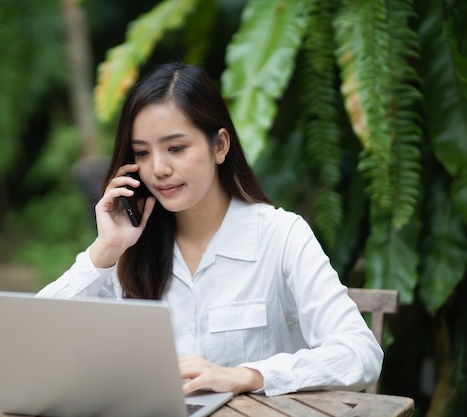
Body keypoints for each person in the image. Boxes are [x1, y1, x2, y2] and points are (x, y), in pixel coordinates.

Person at [37, 62, 383, 396]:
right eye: (142, 153)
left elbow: (360, 353)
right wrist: (105, 250)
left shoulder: (280, 235)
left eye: (175, 148)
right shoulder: (130, 249)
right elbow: (35, 343)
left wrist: (248, 375)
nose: (158, 169)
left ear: (219, 145)